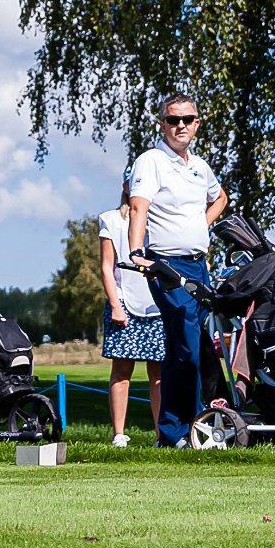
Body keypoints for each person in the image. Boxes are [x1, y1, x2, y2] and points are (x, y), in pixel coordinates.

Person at [127, 94, 228, 447]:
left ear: (197, 124)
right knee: (185, 345)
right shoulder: (151, 161)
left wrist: (198, 228)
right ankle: (176, 433)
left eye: (187, 119)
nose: (180, 126)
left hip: (200, 266)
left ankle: (190, 427)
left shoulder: (199, 166)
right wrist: (137, 252)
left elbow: (221, 198)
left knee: (197, 346)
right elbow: (139, 206)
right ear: (162, 124)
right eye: (172, 120)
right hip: (167, 265)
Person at [97, 177, 163, 447]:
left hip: (157, 305)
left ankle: (163, 434)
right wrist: (115, 305)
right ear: (125, 187)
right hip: (124, 301)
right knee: (122, 371)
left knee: (159, 375)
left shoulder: (161, 222)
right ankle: (119, 434)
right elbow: (106, 267)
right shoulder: (111, 220)